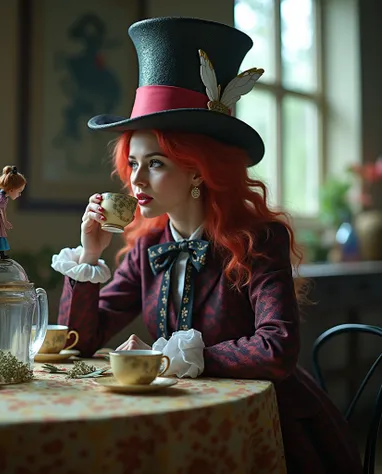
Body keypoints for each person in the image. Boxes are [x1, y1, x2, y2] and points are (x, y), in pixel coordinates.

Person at [51, 17, 363, 473]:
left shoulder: (258, 240)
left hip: (260, 423)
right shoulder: (147, 247)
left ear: (198, 169)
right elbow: (79, 342)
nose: (135, 179)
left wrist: (174, 356)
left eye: (155, 163)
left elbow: (276, 347)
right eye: (132, 162)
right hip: (170, 419)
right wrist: (90, 255)